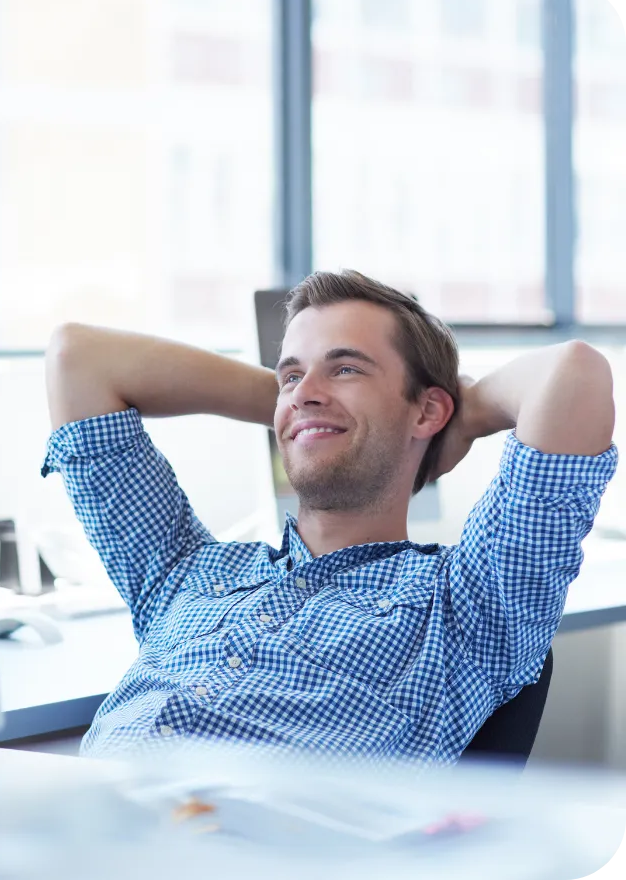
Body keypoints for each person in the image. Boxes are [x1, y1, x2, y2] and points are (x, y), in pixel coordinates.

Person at [41, 269, 617, 763]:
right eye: (289, 375)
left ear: (429, 409)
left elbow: (573, 375)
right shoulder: (183, 573)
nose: (303, 391)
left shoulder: (466, 607)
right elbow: (78, 358)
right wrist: (300, 408)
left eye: (346, 369)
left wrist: (455, 420)